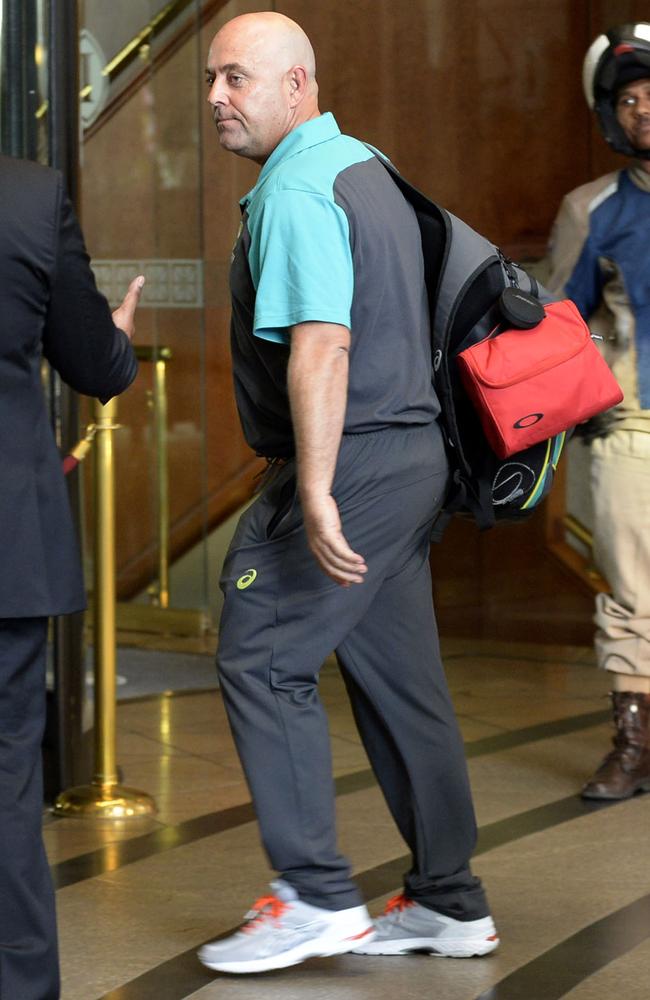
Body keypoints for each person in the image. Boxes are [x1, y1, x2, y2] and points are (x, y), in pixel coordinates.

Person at [199, 11, 498, 976]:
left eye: (235, 78)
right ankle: (449, 904)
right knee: (399, 678)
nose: (215, 98)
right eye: (211, 79)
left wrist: (317, 490)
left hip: (355, 457)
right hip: (414, 455)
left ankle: (315, 895)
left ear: (297, 86)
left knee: (261, 651)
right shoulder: (365, 166)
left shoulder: (295, 189)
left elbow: (325, 343)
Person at [0, 152, 142, 1000]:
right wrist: (117, 336)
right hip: (7, 545)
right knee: (9, 777)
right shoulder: (26, 197)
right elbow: (96, 365)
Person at [547, 23, 650, 800]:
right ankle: (633, 742)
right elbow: (557, 324)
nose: (644, 108)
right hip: (632, 429)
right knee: (631, 592)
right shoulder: (592, 210)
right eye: (630, 97)